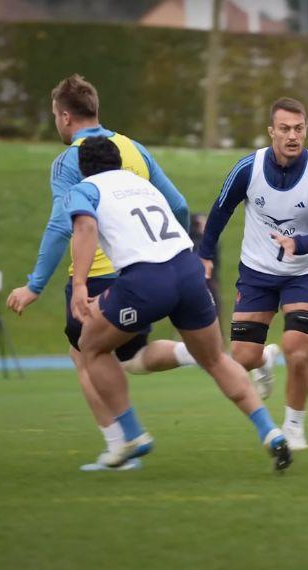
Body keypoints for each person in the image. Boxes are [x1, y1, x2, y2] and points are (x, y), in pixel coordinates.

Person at [68, 136, 293, 472]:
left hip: (145, 278)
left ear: (82, 169)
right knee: (215, 359)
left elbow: (85, 227)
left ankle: (132, 435)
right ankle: (270, 431)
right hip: (188, 270)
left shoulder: (84, 189)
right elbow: (179, 208)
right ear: (118, 161)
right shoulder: (141, 184)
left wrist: (80, 285)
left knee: (91, 346)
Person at [5, 74, 188, 471]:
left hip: (97, 276)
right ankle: (193, 354)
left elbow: (61, 225)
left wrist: (35, 285)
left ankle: (120, 445)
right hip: (144, 270)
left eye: (55, 116)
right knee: (132, 356)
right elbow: (179, 206)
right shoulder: (133, 148)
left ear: (65, 116)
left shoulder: (68, 159)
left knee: (84, 354)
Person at [186, 97, 308, 450]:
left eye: (298, 129)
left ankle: (294, 426)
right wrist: (204, 255)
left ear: (306, 130)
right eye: (285, 128)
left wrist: (298, 244)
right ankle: (264, 359)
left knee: (297, 351)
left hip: (303, 274)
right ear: (271, 131)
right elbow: (220, 211)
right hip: (257, 272)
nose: (292, 136)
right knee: (241, 358)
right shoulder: (248, 168)